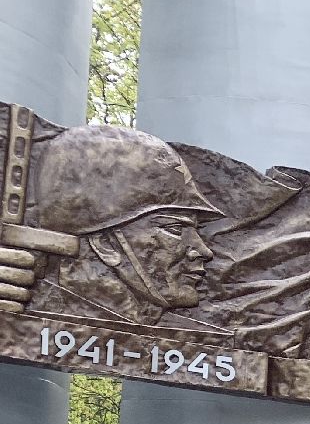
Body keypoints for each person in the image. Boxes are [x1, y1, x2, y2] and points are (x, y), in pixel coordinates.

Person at [27, 124, 222, 328]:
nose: (204, 251)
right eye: (175, 229)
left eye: (195, 231)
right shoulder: (39, 324)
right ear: (105, 244)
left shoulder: (190, 336)